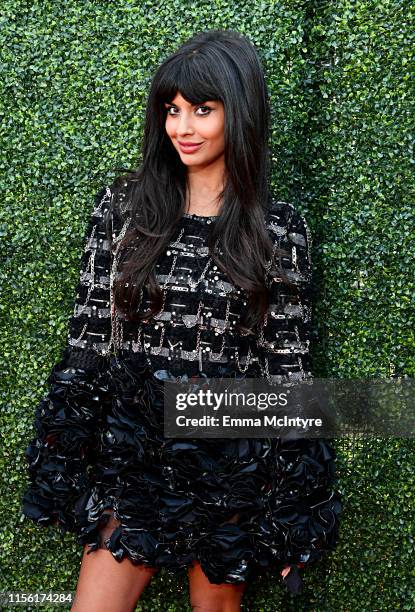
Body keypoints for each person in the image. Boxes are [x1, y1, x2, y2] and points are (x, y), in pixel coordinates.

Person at [21, 29, 342, 611]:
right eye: (172, 110)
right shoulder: (122, 210)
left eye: (202, 109)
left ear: (238, 114)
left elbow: (287, 370)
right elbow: (88, 340)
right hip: (136, 458)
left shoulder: (278, 230)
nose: (183, 128)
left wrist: (297, 505)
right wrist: (63, 456)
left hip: (228, 455)